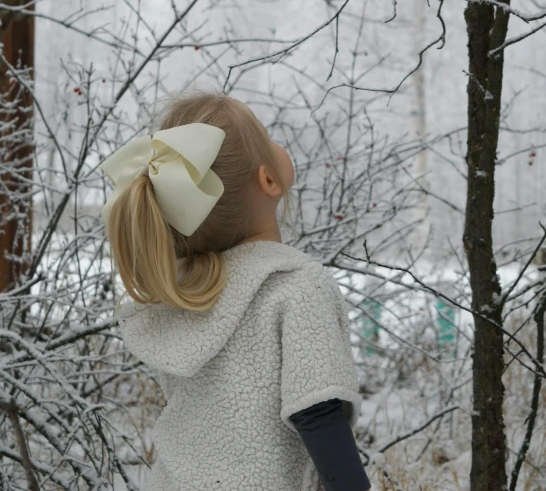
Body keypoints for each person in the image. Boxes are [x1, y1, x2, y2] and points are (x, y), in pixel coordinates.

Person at [101, 90, 372, 491]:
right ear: (268, 179)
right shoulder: (295, 287)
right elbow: (319, 414)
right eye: (264, 133)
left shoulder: (181, 294)